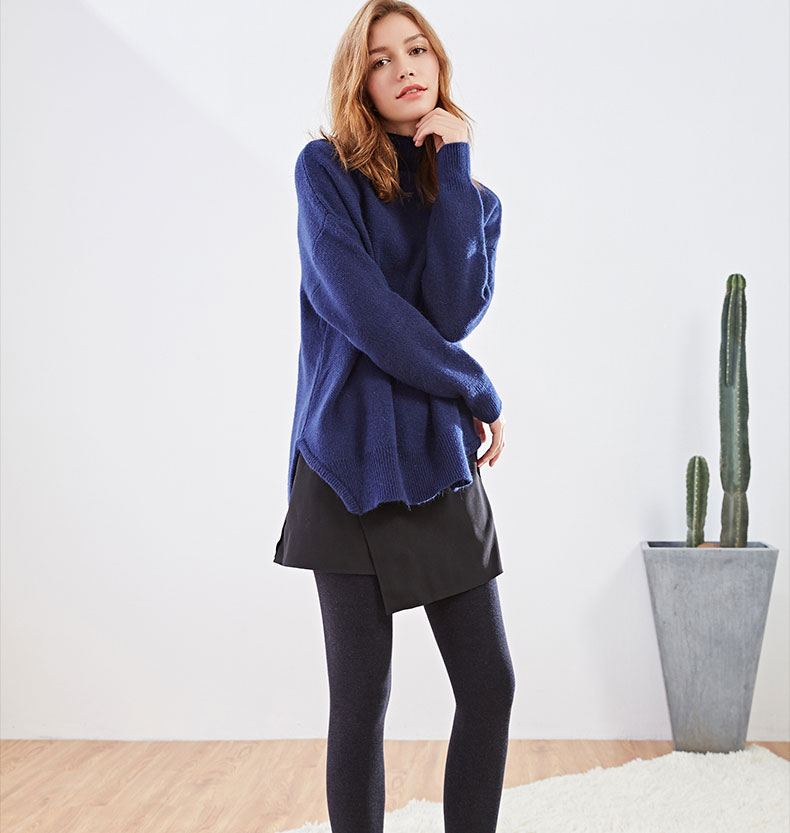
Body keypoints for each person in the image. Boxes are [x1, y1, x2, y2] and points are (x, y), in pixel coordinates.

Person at [273, 2, 516, 830]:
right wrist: (478, 388)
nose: (404, 67)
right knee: (361, 697)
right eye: (380, 59)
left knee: (489, 683)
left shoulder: (473, 200)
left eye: (417, 50)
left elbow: (448, 312)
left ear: (439, 63)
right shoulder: (324, 172)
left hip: (436, 460)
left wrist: (454, 167)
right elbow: (364, 313)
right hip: (344, 462)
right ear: (360, 81)